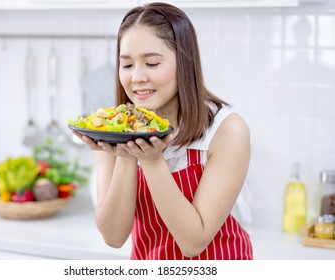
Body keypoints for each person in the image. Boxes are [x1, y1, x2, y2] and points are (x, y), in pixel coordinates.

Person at [74, 2, 253, 260]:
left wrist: (151, 160)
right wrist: (125, 152)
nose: (136, 77)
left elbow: (194, 243)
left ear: (184, 62)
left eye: (152, 63)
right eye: (127, 65)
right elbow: (113, 237)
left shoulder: (227, 130)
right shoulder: (111, 129)